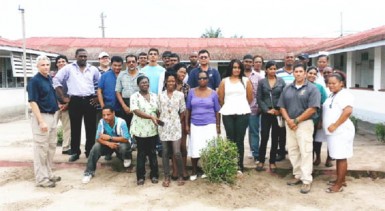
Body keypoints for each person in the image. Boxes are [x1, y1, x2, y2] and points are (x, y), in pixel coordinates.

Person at [278, 64, 320, 194]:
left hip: (304, 124)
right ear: (293, 74)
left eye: (301, 71)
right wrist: (289, 121)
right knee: (293, 150)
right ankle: (297, 175)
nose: (298, 73)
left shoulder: (312, 89)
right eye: (296, 71)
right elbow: (282, 106)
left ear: (305, 73)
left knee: (306, 151)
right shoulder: (287, 88)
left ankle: (307, 180)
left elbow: (313, 108)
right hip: (290, 124)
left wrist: (296, 120)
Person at [53, 48, 100, 162]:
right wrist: (63, 97)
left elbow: (100, 84)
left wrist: (97, 98)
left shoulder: (93, 69)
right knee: (75, 128)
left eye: (85, 56)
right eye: (81, 56)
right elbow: (56, 80)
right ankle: (75, 152)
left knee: (91, 128)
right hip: (75, 101)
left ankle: (89, 151)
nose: (83, 58)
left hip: (89, 101)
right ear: (76, 56)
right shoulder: (68, 69)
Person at [27, 55, 60, 188]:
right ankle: (41, 179)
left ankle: (48, 174)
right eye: (43, 65)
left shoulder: (49, 78)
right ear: (37, 66)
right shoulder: (34, 81)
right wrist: (41, 121)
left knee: (50, 147)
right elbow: (33, 101)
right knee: (41, 149)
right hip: (42, 117)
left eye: (47, 64)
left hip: (52, 116)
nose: (46, 67)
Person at [218, 59, 253, 173]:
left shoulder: (246, 80)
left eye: (238, 67)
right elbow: (221, 98)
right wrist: (229, 106)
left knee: (239, 140)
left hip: (242, 113)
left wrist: (240, 106)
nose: (236, 70)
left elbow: (250, 98)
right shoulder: (224, 81)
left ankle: (239, 166)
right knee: (230, 139)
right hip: (228, 113)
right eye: (234, 67)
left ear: (241, 69)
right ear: (230, 68)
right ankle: (229, 164)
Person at [82, 106, 132, 184]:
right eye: (104, 115)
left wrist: (110, 138)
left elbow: (125, 138)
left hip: (120, 145)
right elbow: (98, 138)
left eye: (108, 114)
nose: (105, 117)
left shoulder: (121, 122)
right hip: (108, 145)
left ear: (113, 113)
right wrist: (108, 143)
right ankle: (88, 172)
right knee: (96, 147)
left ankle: (126, 157)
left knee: (124, 147)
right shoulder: (102, 122)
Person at [323, 71, 355, 193]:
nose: (331, 85)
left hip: (341, 131)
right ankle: (340, 179)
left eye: (334, 83)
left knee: (341, 157)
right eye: (329, 83)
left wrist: (335, 125)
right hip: (333, 132)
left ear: (341, 83)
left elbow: (347, 111)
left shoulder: (345, 95)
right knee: (337, 156)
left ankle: (339, 185)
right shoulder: (332, 95)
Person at [186, 71, 221, 181]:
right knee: (195, 147)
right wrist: (187, 125)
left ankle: (207, 169)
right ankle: (194, 170)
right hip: (195, 123)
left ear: (208, 79)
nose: (202, 80)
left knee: (209, 148)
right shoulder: (191, 92)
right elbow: (188, 109)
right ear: (197, 80)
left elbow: (217, 110)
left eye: (204, 78)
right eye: (200, 78)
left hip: (210, 124)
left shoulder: (213, 93)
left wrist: (218, 125)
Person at [256, 61, 286, 172]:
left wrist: (279, 110)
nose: (273, 71)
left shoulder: (281, 82)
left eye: (274, 69)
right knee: (264, 137)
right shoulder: (262, 82)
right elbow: (259, 98)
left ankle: (272, 162)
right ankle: (261, 160)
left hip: (278, 114)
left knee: (275, 138)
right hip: (266, 114)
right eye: (271, 69)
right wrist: (267, 110)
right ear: (266, 70)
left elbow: (284, 97)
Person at [130, 76, 159, 185]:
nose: (144, 84)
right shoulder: (134, 96)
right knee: (141, 153)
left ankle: (154, 175)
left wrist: (158, 118)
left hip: (152, 129)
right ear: (138, 85)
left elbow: (158, 110)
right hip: (140, 129)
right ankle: (140, 176)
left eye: (146, 82)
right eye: (142, 83)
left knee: (152, 152)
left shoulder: (155, 96)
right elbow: (136, 111)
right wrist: (150, 117)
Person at [158, 72, 186, 187]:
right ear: (165, 82)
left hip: (175, 126)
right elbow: (158, 111)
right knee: (165, 152)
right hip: (163, 126)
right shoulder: (160, 95)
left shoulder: (180, 95)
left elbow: (183, 111)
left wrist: (177, 121)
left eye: (173, 81)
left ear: (175, 82)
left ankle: (180, 175)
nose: (170, 83)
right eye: (168, 81)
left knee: (177, 152)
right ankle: (166, 177)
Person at [115, 55, 143, 150]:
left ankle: (140, 148)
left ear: (136, 62)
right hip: (125, 103)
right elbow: (118, 91)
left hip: (139, 103)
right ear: (126, 63)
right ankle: (127, 149)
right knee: (125, 127)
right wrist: (124, 106)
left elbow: (144, 90)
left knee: (138, 125)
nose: (131, 63)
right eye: (129, 62)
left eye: (133, 61)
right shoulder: (121, 75)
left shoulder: (142, 74)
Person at [275, 52, 296, 162]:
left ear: (294, 59)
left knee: (294, 128)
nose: (289, 59)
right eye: (287, 57)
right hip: (282, 105)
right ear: (284, 59)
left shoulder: (298, 72)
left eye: (291, 57)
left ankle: (293, 152)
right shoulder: (278, 73)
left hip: (296, 105)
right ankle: (281, 151)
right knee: (281, 130)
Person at [306, 66, 328, 167]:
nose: (312, 75)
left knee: (315, 141)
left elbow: (324, 105)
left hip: (315, 119)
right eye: (310, 73)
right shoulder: (300, 86)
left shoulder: (320, 88)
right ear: (306, 73)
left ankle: (317, 157)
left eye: (314, 74)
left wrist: (321, 121)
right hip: (301, 120)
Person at [243, 54, 263, 163]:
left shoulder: (258, 76)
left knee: (254, 132)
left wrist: (260, 106)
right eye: (246, 61)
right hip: (240, 109)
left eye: (250, 62)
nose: (248, 63)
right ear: (243, 62)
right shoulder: (238, 75)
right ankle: (237, 155)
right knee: (240, 133)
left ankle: (256, 154)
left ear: (252, 63)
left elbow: (261, 93)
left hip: (254, 109)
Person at [173, 63, 190, 179]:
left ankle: (183, 170)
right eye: (180, 72)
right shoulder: (169, 86)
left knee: (183, 146)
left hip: (183, 119)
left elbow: (187, 107)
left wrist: (187, 123)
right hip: (171, 120)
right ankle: (174, 170)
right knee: (174, 146)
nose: (182, 74)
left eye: (184, 72)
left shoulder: (187, 87)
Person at [54, 55, 71, 155]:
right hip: (54, 106)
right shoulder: (52, 76)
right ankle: (49, 146)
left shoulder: (71, 76)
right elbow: (50, 92)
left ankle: (66, 148)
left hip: (67, 106)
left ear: (67, 63)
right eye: (59, 62)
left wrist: (67, 104)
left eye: (63, 61)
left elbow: (73, 91)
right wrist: (58, 104)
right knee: (52, 127)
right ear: (56, 64)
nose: (61, 63)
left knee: (67, 127)